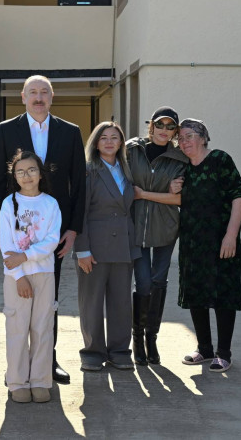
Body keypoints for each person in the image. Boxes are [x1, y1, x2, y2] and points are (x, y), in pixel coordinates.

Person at [0, 75, 85, 384]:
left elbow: (78, 183)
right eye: (33, 92)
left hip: (52, 232)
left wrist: (73, 229)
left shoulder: (70, 132)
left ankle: (47, 362)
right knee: (17, 303)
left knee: (48, 301)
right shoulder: (6, 130)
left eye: (44, 92)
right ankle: (17, 367)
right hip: (16, 229)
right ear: (23, 97)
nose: (39, 97)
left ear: (52, 96)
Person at [172, 118, 241, 373]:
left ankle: (223, 353)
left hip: (221, 241)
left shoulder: (220, 160)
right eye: (181, 138)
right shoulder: (183, 169)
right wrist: (173, 188)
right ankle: (204, 348)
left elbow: (238, 196)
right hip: (192, 242)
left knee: (223, 294)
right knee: (196, 293)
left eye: (189, 136)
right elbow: (179, 199)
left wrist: (231, 235)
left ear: (203, 138)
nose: (184, 142)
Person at [73, 122, 139, 372]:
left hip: (123, 244)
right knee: (91, 303)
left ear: (121, 143)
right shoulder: (87, 170)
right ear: (96, 143)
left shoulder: (127, 170)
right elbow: (79, 212)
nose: (109, 142)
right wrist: (82, 249)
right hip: (94, 247)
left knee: (121, 303)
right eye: (104, 138)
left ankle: (120, 351)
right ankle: (92, 352)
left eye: (114, 137)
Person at [126, 107, 188, 365]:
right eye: (159, 125)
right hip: (136, 226)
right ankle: (138, 339)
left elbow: (181, 199)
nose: (164, 130)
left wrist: (145, 194)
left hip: (166, 226)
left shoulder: (180, 159)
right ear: (151, 126)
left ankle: (152, 339)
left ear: (175, 131)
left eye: (170, 126)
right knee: (143, 283)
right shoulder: (131, 150)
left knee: (159, 281)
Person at [0, 150, 61, 404]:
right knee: (17, 327)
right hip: (16, 278)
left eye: (32, 170)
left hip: (44, 273)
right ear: (14, 176)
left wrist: (25, 256)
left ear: (40, 173)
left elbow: (52, 240)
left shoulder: (50, 204)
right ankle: (17, 381)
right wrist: (19, 275)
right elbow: (6, 245)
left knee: (42, 327)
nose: (27, 176)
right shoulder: (8, 203)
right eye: (20, 171)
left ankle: (40, 381)